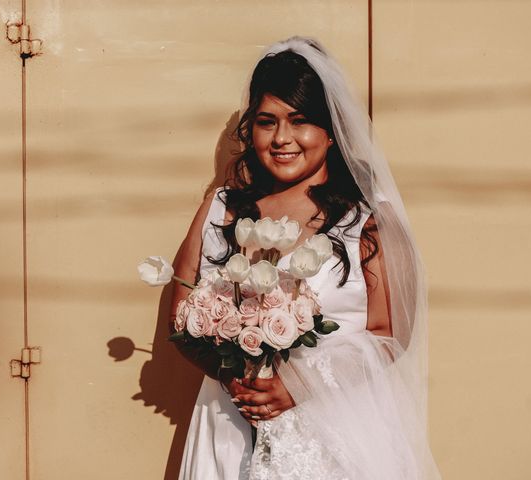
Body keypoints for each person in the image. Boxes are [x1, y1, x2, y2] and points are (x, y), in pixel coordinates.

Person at [168, 36, 441, 479]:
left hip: (333, 433)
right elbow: (180, 315)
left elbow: (389, 333)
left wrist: (296, 386)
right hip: (229, 422)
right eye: (266, 121)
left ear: (331, 131)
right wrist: (231, 376)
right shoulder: (220, 208)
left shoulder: (367, 222)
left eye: (300, 121)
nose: (282, 139)